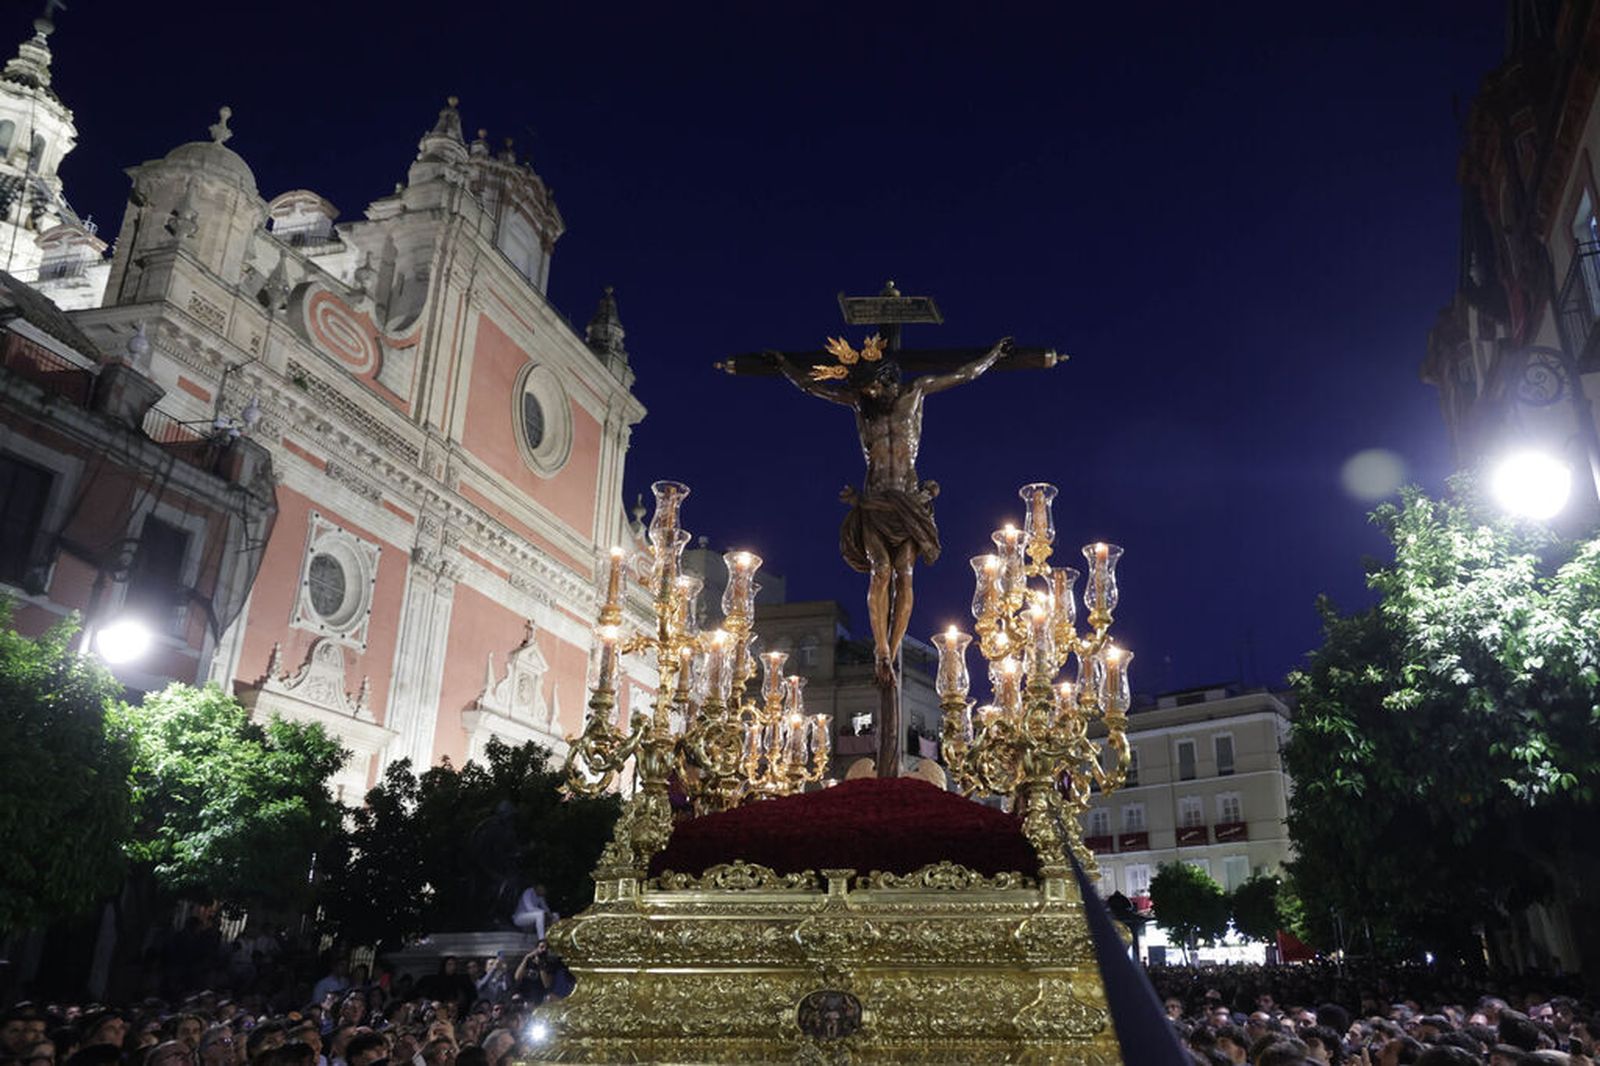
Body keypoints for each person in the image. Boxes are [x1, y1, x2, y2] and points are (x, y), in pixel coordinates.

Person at [777, 337, 1011, 686]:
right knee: (880, 572)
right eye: (865, 390)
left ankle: (896, 643)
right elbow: (814, 389)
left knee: (905, 573)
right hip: (872, 501)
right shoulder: (861, 405)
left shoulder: (915, 393)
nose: (870, 395)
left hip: (907, 502)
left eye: (874, 388)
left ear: (887, 379)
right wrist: (784, 364)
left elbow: (964, 374)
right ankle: (882, 651)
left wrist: (992, 355)